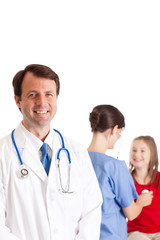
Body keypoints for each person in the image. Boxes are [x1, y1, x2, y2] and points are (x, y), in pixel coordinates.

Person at [0, 64, 102, 240]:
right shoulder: (3, 153)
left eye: (49, 94)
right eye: (33, 95)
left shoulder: (76, 152)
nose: (42, 102)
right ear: (18, 100)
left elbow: (91, 212)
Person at [87, 104, 153, 240]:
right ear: (114, 129)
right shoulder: (115, 167)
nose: (118, 138)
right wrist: (141, 202)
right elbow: (131, 213)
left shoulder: (76, 159)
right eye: (119, 133)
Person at [127, 136, 160, 240]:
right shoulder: (127, 179)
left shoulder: (158, 178)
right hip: (136, 232)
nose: (137, 154)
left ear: (152, 155)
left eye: (142, 151)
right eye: (134, 150)